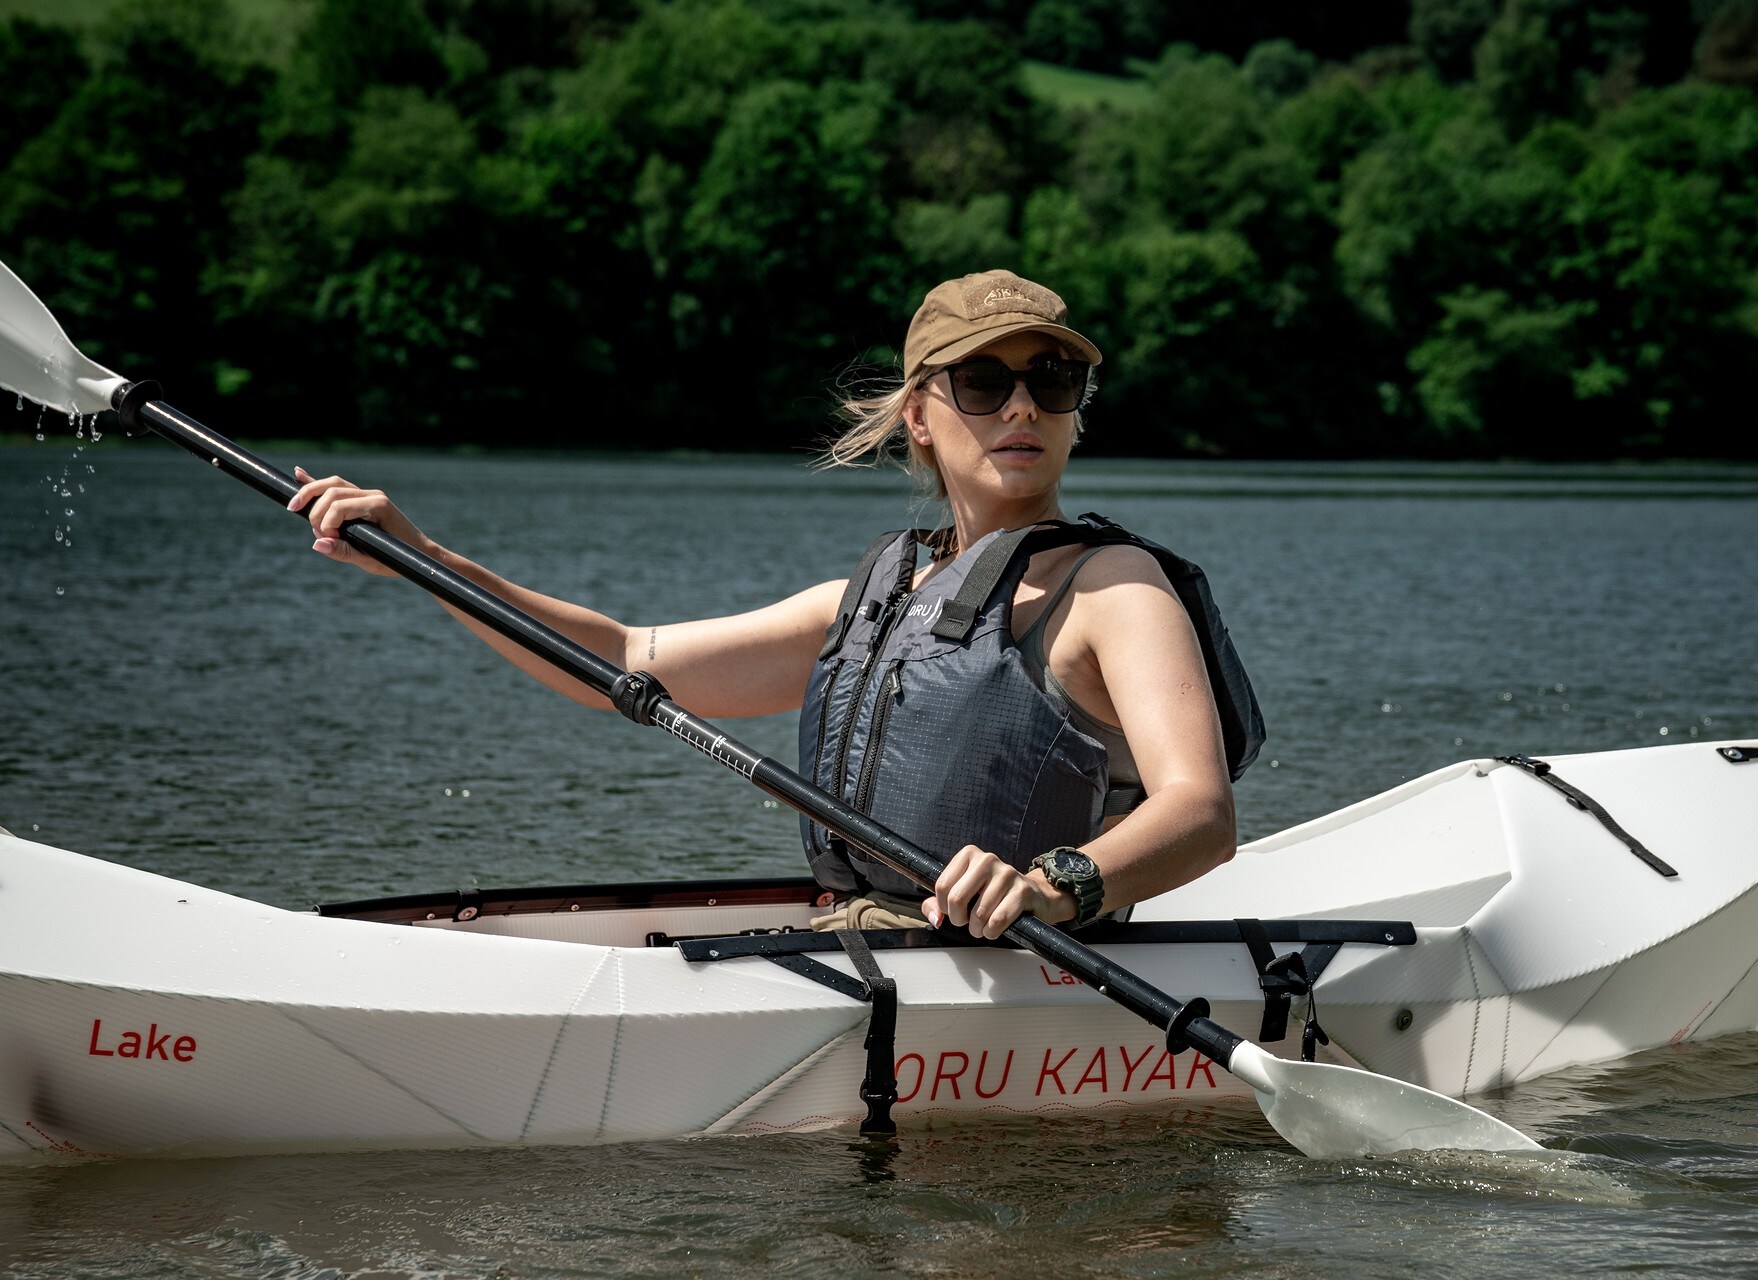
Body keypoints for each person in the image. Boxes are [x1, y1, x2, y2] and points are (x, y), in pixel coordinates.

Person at [289, 269, 1237, 940]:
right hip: (861, 936)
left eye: (1053, 381)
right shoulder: (866, 603)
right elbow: (622, 656)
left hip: (1025, 956)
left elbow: (1201, 810)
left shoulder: (1113, 589)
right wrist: (426, 560)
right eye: (985, 383)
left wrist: (1052, 888)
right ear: (919, 412)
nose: (1023, 408)